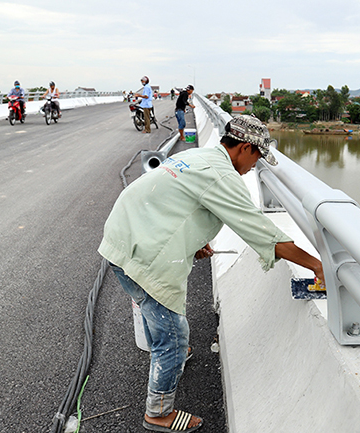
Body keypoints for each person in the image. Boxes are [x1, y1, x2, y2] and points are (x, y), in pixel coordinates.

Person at [98, 115, 324, 432]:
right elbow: (263, 233)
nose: (254, 165)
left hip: (122, 237)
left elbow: (177, 203)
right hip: (142, 254)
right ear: (245, 148)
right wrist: (318, 265)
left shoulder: (199, 155)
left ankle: (166, 351)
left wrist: (195, 241)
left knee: (154, 311)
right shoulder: (223, 176)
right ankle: (158, 412)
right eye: (257, 156)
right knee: (173, 336)